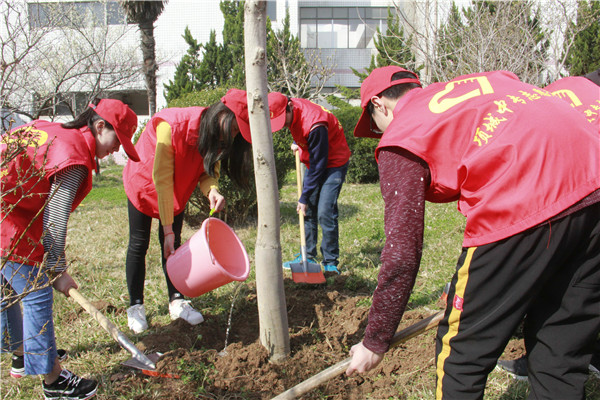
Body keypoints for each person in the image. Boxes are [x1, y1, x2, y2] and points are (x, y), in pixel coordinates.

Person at [346, 66, 600, 399]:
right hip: (594, 183)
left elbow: (402, 252)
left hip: (523, 200)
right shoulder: (484, 84)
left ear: (378, 104)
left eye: (374, 128)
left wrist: (374, 340)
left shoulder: (402, 135)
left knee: (460, 356)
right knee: (560, 350)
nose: (379, 135)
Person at [1, 98, 139, 400]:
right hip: (5, 217)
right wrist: (57, 269)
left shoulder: (56, 131)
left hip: (8, 206)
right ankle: (53, 381)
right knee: (37, 291)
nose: (117, 149)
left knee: (7, 290)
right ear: (99, 125)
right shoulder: (74, 157)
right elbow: (53, 218)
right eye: (118, 140)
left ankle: (21, 356)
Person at [123, 89, 287, 333]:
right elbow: (162, 179)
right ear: (222, 113)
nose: (231, 136)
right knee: (139, 243)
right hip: (144, 182)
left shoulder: (218, 138)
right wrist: (166, 229)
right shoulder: (172, 126)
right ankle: (136, 306)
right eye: (233, 128)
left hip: (176, 189)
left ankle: (177, 300)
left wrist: (212, 191)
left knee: (175, 246)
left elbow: (207, 173)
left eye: (236, 133)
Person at [496, 68, 600, 380]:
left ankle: (556, 358)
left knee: (562, 281)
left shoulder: (559, 98)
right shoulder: (567, 94)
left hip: (572, 196)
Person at [273, 95, 351, 274]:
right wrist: (297, 142)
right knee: (307, 209)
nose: (283, 125)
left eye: (282, 120)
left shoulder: (316, 124)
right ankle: (307, 254)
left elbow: (318, 165)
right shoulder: (292, 107)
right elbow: (300, 127)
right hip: (315, 159)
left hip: (334, 162)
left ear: (289, 107)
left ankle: (330, 261)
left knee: (325, 212)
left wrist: (304, 196)